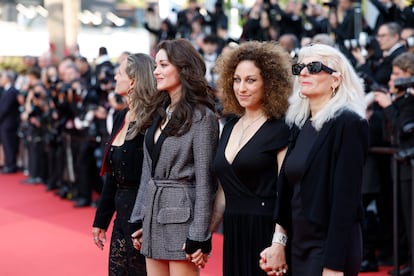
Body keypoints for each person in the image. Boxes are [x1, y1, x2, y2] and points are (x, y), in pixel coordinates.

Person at [259, 43, 369, 276]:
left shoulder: (348, 124)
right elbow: (288, 191)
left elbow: (345, 202)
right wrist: (279, 242)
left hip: (329, 248)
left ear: (336, 80)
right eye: (300, 67)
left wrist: (334, 265)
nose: (304, 72)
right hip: (298, 244)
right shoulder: (300, 123)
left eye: (315, 67)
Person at [129, 39, 219, 276]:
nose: (156, 71)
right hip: (153, 216)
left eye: (163, 65)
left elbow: (205, 182)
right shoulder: (158, 113)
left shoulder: (202, 117)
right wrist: (139, 217)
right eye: (155, 65)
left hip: (182, 220)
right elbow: (147, 173)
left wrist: (199, 234)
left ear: (183, 68)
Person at [210, 40, 293, 276]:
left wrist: (279, 243)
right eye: (237, 80)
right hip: (234, 229)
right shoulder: (229, 126)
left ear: (270, 83)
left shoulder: (281, 128)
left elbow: (285, 193)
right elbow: (224, 192)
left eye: (251, 80)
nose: (241, 88)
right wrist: (205, 235)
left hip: (266, 231)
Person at [91, 53, 157, 275]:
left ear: (134, 81)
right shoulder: (122, 117)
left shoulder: (152, 120)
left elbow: (152, 175)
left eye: (119, 73)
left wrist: (143, 220)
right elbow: (113, 175)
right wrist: (101, 219)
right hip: (121, 213)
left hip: (142, 216)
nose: (114, 78)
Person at [373, 52, 414, 275]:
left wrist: (389, 106)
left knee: (411, 219)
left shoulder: (409, 102)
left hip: (409, 168)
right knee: (403, 219)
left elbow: (403, 132)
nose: (392, 79)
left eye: (398, 75)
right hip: (398, 168)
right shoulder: (400, 101)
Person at [0, 70, 20, 174]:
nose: (0, 80)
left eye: (2, 77)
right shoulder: (5, 90)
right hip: (5, 122)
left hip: (9, 122)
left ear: (8, 79)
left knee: (9, 144)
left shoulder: (12, 91)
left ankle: (11, 165)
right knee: (6, 144)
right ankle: (8, 164)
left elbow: (5, 108)